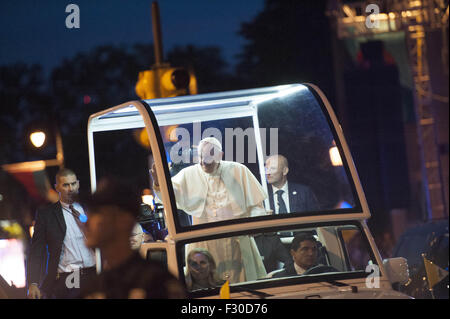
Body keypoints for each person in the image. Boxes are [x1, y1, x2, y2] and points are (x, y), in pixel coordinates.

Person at [152, 137, 268, 284]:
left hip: (236, 241)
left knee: (243, 286)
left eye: (208, 157)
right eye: (200, 157)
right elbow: (168, 196)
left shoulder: (238, 170)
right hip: (203, 244)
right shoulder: (189, 174)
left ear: (220, 155)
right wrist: (158, 183)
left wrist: (254, 224)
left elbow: (256, 206)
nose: (202, 162)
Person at [79, 176, 186, 299]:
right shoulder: (93, 288)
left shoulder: (156, 284)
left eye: (96, 213)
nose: (85, 223)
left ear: (123, 221)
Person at [26, 168, 96, 299]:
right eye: (65, 185)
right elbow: (37, 251)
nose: (71, 189)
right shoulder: (47, 215)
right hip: (69, 275)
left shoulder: (90, 208)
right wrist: (33, 282)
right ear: (57, 187)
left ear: (78, 184)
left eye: (73, 184)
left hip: (94, 271)